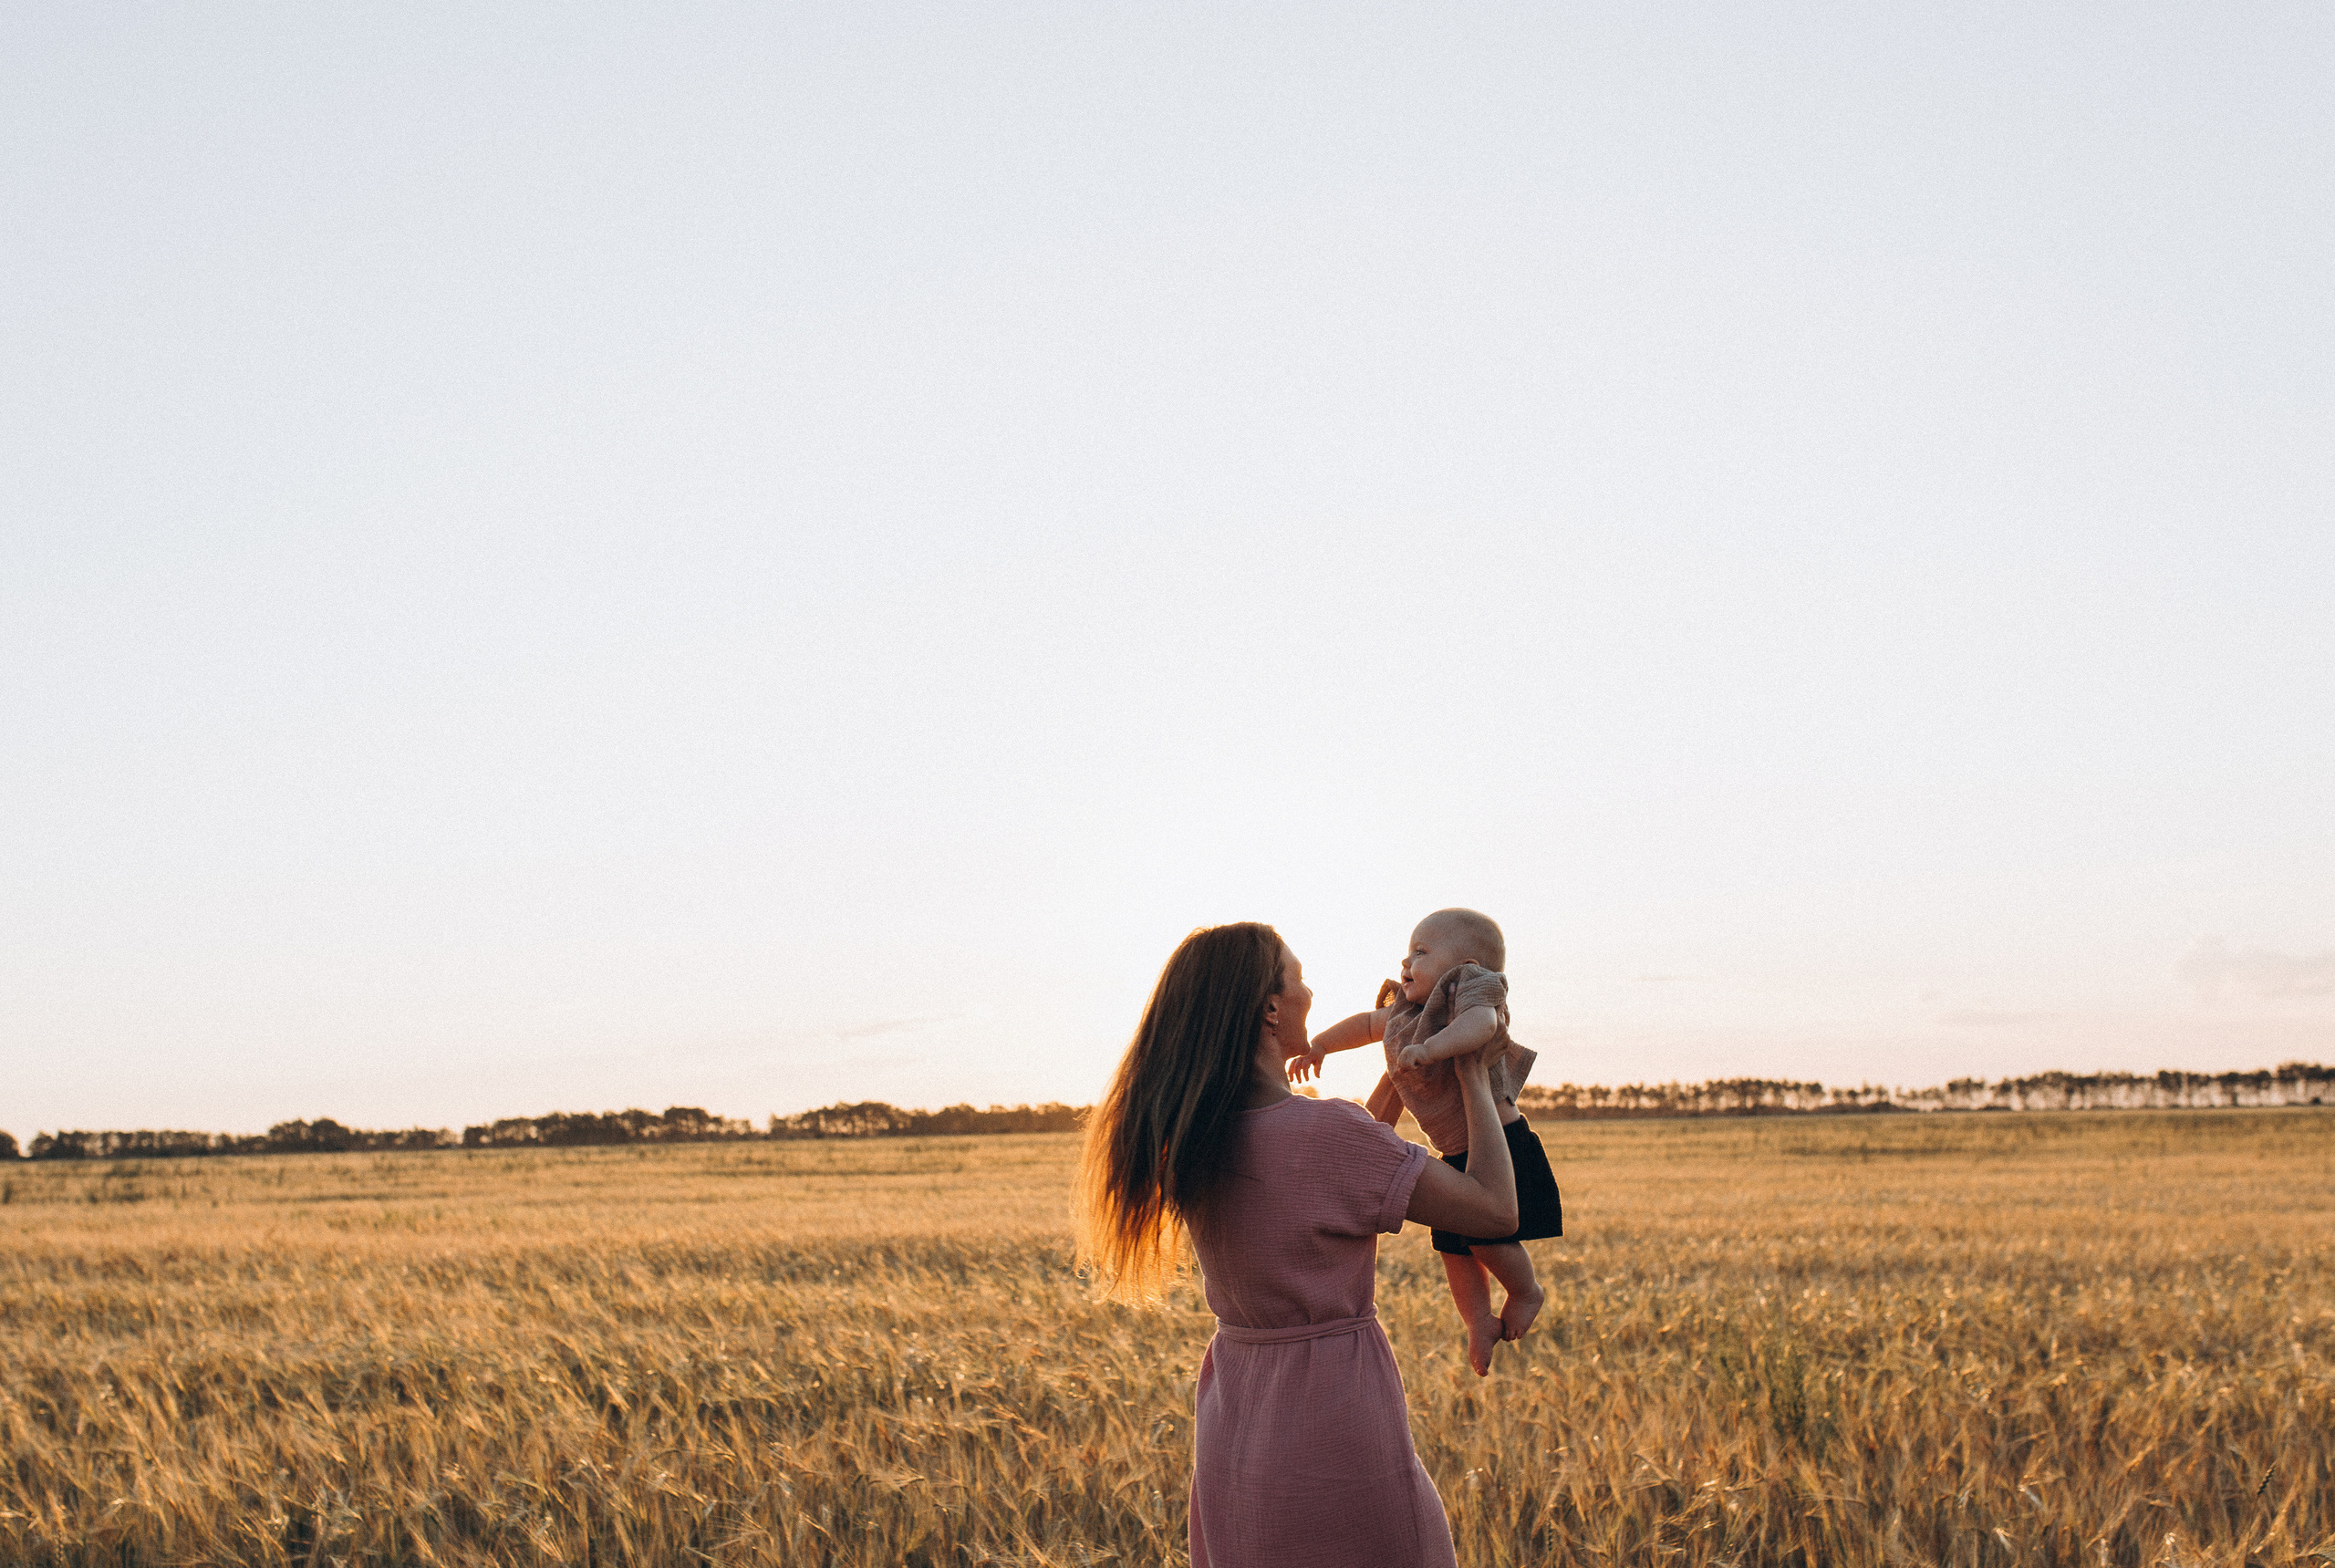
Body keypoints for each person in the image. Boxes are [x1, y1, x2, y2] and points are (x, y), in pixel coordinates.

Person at [1075, 921, 1520, 1568]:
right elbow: (1494, 1207)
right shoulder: (1327, 1134)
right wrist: (1474, 1073)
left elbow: (1346, 1161)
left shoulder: (1197, 1138)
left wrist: (1397, 1076)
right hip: (1335, 1417)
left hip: (1236, 1416)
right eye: (1299, 977)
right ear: (1271, 1007)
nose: (1313, 991)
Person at [1292, 908, 1563, 1376]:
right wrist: (1320, 1045)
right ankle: (1477, 1319)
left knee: (1487, 1239)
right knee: (1454, 1251)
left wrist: (1433, 1049)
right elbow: (1366, 1024)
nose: (1406, 962)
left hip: (1501, 1142)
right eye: (1408, 950)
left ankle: (1525, 1290)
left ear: (1467, 965)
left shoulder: (1469, 990)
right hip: (1455, 1152)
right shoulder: (1407, 1013)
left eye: (1422, 952)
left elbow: (1481, 1027)